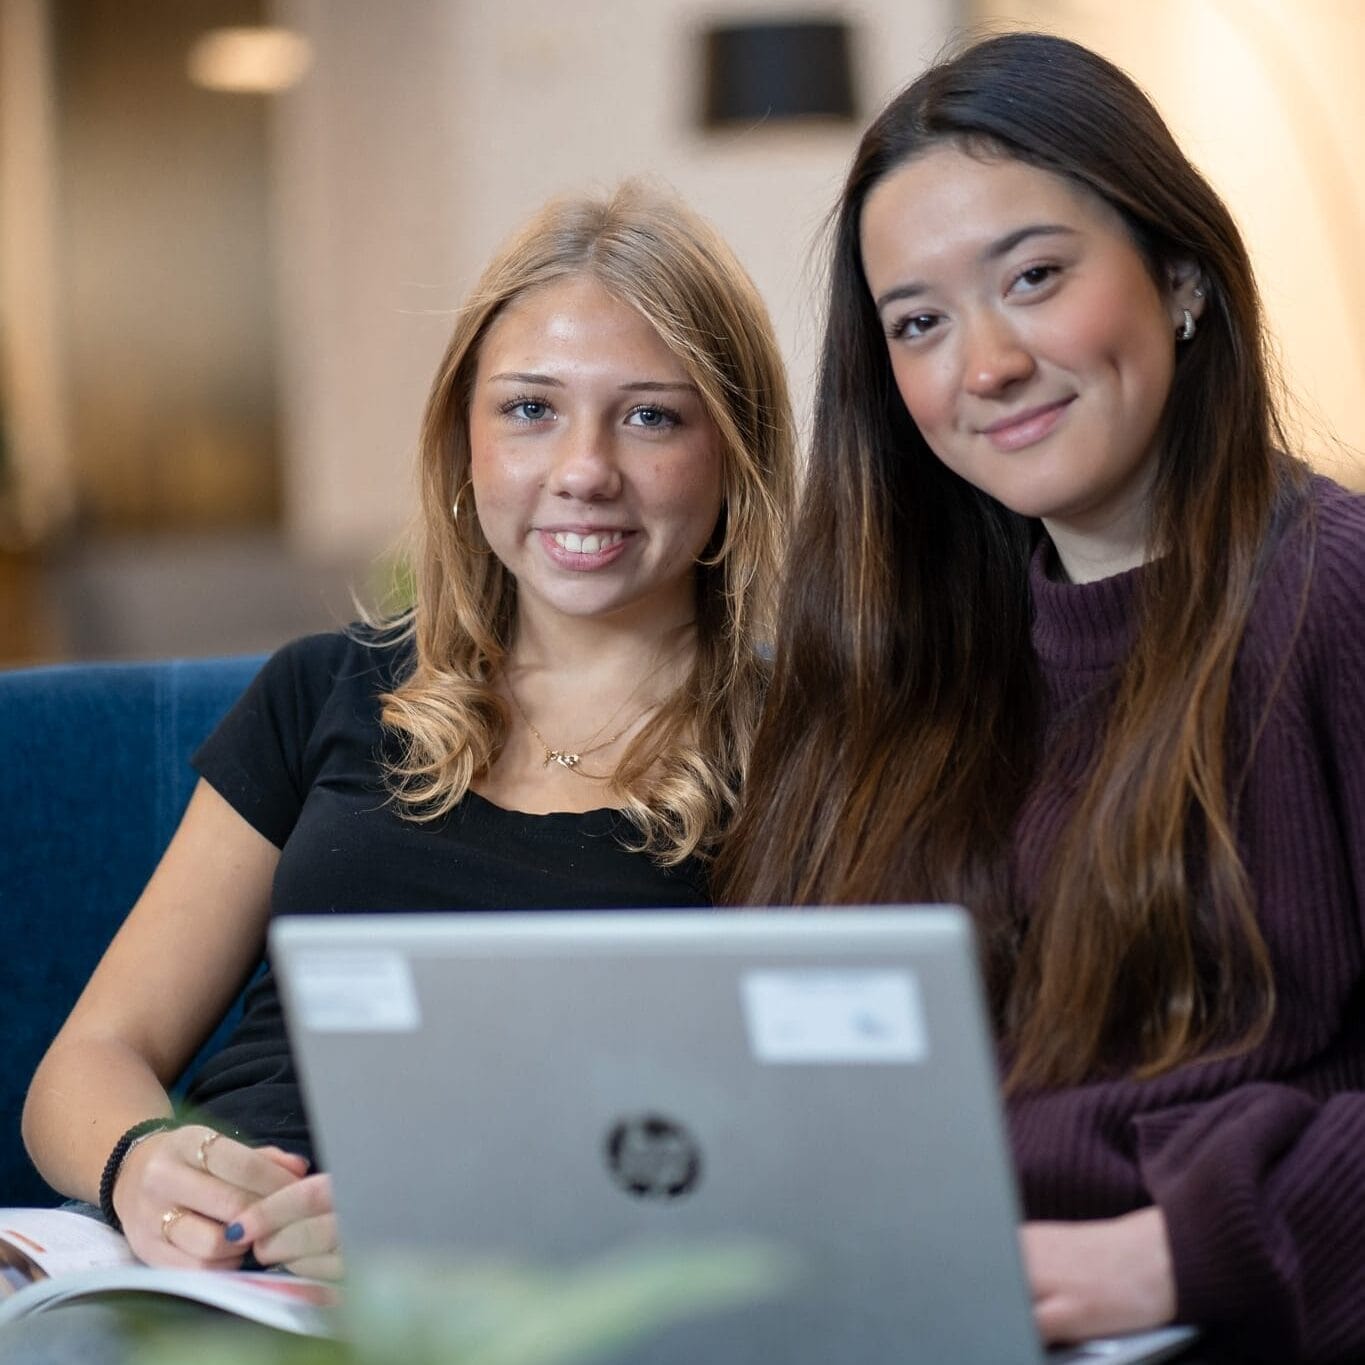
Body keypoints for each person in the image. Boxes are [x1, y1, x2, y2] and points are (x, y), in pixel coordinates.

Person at [716, 31, 1365, 1365]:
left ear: (1180, 277)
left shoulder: (1336, 597)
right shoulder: (890, 658)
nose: (987, 364)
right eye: (919, 322)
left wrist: (1181, 1252)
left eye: (1033, 277)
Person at [22, 182, 795, 1284]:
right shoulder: (323, 690)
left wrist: (475, 1219)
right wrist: (145, 1163)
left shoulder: (805, 747)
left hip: (536, 1303)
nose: (583, 470)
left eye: (650, 416)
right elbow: (95, 1055)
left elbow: (800, 1146)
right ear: (462, 440)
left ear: (735, 451)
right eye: (529, 409)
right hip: (218, 1279)